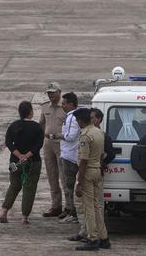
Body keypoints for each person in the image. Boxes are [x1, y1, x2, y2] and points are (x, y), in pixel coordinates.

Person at [1, 100, 45, 224]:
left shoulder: (13, 126)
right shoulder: (37, 128)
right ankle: (25, 217)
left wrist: (19, 155)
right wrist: (26, 156)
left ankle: (4, 211)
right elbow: (38, 145)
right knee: (29, 188)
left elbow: (9, 143)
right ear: (31, 112)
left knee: (14, 185)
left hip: (15, 162)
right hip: (32, 163)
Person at [72, 108, 110, 251]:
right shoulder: (98, 132)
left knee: (88, 207)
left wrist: (79, 183)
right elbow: (101, 155)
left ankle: (92, 238)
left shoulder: (86, 135)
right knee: (97, 206)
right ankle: (104, 237)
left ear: (81, 121)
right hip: (97, 171)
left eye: (77, 121)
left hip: (87, 172)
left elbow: (83, 161)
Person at [38, 82, 66, 218]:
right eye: (48, 93)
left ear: (59, 92)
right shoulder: (45, 107)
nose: (50, 95)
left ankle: (70, 207)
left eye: (52, 92)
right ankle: (56, 206)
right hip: (48, 143)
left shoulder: (65, 106)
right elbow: (41, 123)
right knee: (51, 176)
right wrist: (44, 135)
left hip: (62, 144)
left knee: (64, 176)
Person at [59, 92, 83, 230]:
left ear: (71, 104)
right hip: (70, 154)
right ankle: (73, 211)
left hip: (70, 156)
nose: (62, 106)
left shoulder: (72, 117)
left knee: (70, 186)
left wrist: (58, 135)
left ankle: (74, 213)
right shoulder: (73, 116)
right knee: (70, 186)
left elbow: (70, 136)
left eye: (64, 103)